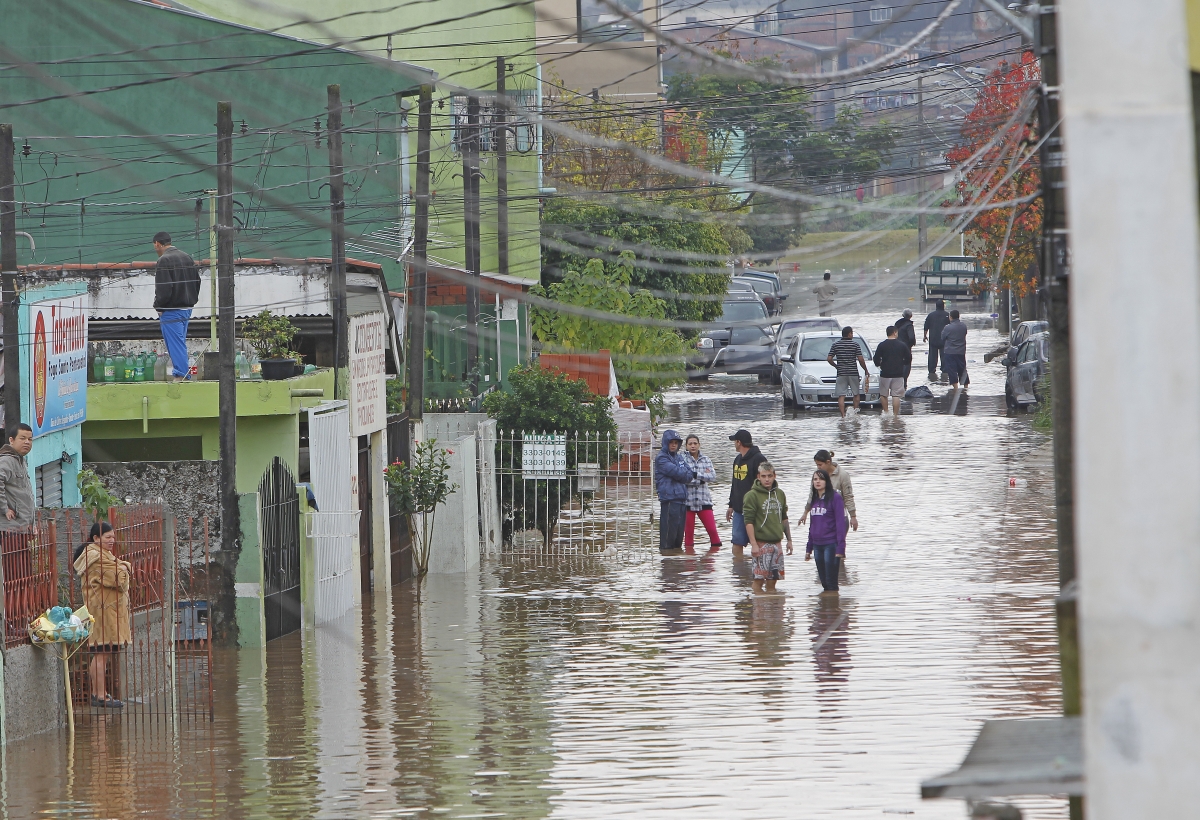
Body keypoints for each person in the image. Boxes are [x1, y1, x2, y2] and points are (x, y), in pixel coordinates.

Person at [74, 521, 132, 708]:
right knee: (101, 653)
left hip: (105, 610)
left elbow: (117, 570)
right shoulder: (96, 558)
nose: (112, 541)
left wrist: (122, 566)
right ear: (96, 538)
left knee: (103, 653)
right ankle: (99, 696)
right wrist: (124, 568)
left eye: (113, 537)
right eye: (108, 537)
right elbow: (118, 580)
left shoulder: (100, 555)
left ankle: (100, 693)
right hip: (103, 612)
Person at [153, 231, 201, 382]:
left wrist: (158, 306)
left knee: (175, 343)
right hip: (187, 308)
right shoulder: (186, 257)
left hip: (171, 309)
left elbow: (164, 290)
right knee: (180, 341)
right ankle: (182, 373)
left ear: (158, 244)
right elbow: (197, 281)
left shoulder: (164, 260)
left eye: (155, 247)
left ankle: (182, 375)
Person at [743, 462, 792, 595]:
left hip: (777, 542)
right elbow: (748, 521)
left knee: (773, 580)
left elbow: (784, 517)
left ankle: (771, 608)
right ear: (758, 476)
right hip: (761, 543)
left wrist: (789, 540)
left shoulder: (780, 494)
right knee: (758, 580)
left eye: (770, 476)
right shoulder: (751, 495)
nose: (767, 479)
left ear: (774, 476)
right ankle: (759, 612)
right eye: (763, 476)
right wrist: (753, 544)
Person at [804, 469, 847, 595]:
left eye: (821, 479)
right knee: (823, 582)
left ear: (827, 481)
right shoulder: (814, 499)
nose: (818, 482)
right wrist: (809, 547)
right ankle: (824, 611)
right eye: (815, 479)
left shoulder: (835, 498)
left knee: (831, 582)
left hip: (831, 544)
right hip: (817, 545)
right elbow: (812, 525)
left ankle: (833, 609)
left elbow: (840, 524)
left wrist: (841, 548)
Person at [726, 429, 767, 559]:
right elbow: (735, 484)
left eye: (735, 441)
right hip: (738, 509)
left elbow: (766, 483)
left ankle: (759, 570)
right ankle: (739, 573)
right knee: (737, 542)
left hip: (755, 509)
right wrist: (731, 504)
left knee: (760, 542)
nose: (734, 444)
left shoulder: (759, 459)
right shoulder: (737, 459)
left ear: (739, 442)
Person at [654, 429, 694, 554]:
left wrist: (682, 473)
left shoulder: (679, 457)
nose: (673, 445)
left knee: (678, 541)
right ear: (666, 443)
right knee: (668, 540)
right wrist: (682, 473)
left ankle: (676, 568)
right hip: (669, 500)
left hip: (681, 500)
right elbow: (678, 473)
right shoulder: (661, 458)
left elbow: (689, 475)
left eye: (676, 443)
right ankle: (667, 568)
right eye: (671, 442)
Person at [682, 434, 721, 554]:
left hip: (704, 500)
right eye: (690, 444)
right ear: (686, 446)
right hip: (688, 502)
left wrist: (695, 475)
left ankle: (712, 562)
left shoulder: (706, 459)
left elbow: (712, 477)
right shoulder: (681, 458)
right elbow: (683, 477)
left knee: (713, 531)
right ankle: (689, 565)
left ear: (699, 445)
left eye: (695, 443)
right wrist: (701, 478)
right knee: (688, 536)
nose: (693, 446)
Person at [802, 449, 858, 532]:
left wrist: (853, 517)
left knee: (836, 543)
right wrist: (805, 513)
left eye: (820, 465)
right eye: (817, 465)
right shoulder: (817, 475)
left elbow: (848, 497)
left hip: (838, 517)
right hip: (821, 517)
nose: (818, 467)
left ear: (828, 462)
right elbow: (812, 495)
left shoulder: (843, 475)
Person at [826, 326, 871, 418]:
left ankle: (843, 416)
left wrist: (836, 366)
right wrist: (866, 370)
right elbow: (861, 359)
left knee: (841, 396)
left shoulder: (836, 345)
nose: (852, 335)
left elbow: (829, 358)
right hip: (853, 372)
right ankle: (854, 413)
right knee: (856, 393)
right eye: (852, 333)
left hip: (841, 373)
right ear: (849, 334)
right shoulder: (855, 345)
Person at [0, 423, 35, 530]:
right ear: (11, 440)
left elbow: (25, 495)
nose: (27, 442)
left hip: (22, 526)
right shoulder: (6, 460)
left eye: (30, 439)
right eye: (22, 438)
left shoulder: (21, 460)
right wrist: (4, 509)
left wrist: (32, 524)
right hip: (9, 527)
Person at [873, 326, 911, 416]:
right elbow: (908, 358)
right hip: (898, 373)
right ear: (894, 332)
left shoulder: (882, 345)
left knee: (883, 395)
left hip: (885, 373)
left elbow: (876, 359)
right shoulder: (902, 345)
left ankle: (886, 413)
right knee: (896, 395)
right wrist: (903, 363)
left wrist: (879, 364)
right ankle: (895, 416)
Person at [941, 309, 969, 389]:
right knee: (962, 369)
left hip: (950, 352)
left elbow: (942, 337)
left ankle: (955, 388)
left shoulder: (947, 328)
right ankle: (965, 386)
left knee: (951, 370)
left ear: (950, 317)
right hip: (961, 351)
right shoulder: (963, 326)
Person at [923, 300, 951, 377]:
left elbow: (926, 327)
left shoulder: (931, 315)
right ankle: (944, 371)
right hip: (944, 340)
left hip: (933, 339)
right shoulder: (947, 315)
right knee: (944, 355)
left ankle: (931, 371)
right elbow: (950, 327)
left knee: (932, 356)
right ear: (943, 306)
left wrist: (925, 336)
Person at [895, 309, 917, 383]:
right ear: (911, 316)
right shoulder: (909, 325)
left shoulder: (897, 324)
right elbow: (911, 337)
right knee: (907, 363)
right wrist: (911, 344)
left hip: (897, 346)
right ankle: (904, 381)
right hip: (906, 347)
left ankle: (898, 380)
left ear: (902, 315)